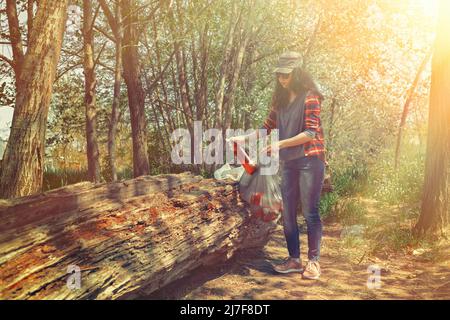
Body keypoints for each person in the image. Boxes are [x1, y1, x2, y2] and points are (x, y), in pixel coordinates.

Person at [231, 51, 326, 280]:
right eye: (280, 74)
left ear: (297, 72)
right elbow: (266, 128)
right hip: (289, 161)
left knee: (310, 211)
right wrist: (242, 139)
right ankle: (294, 259)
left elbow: (310, 133)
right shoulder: (279, 101)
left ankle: (314, 262)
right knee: (289, 213)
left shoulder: (311, 96)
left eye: (286, 74)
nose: (282, 78)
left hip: (310, 159)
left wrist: (279, 144)